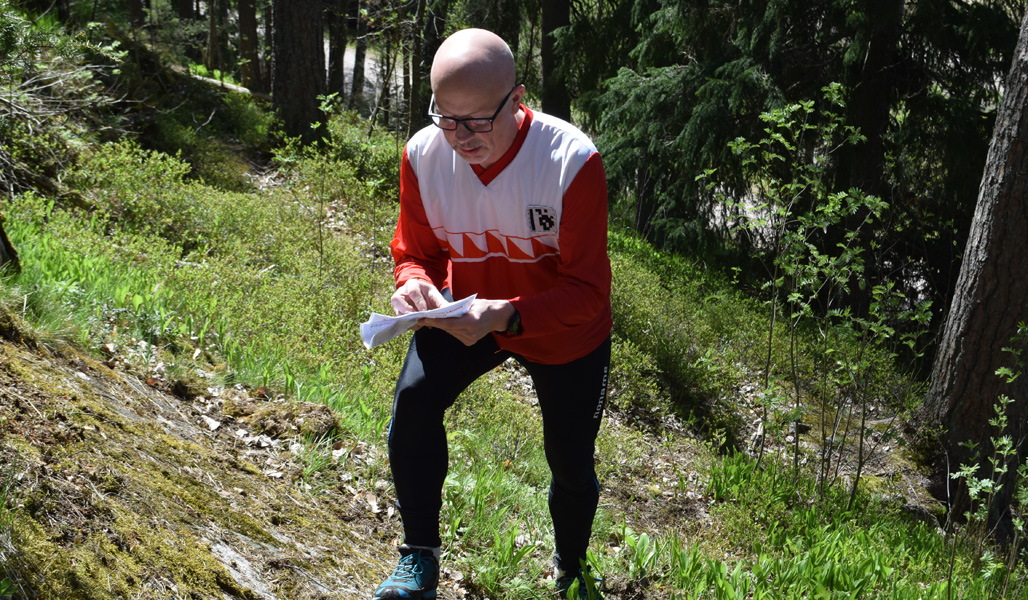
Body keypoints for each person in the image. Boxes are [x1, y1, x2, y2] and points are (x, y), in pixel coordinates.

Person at [373, 27, 612, 600]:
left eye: (478, 120)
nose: (461, 137)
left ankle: (571, 568)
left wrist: (504, 314)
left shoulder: (570, 161)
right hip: (467, 314)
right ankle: (419, 557)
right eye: (446, 117)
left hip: (561, 331)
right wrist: (413, 286)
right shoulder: (423, 155)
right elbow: (415, 254)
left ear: (518, 96)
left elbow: (588, 294)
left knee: (571, 461)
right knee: (413, 405)